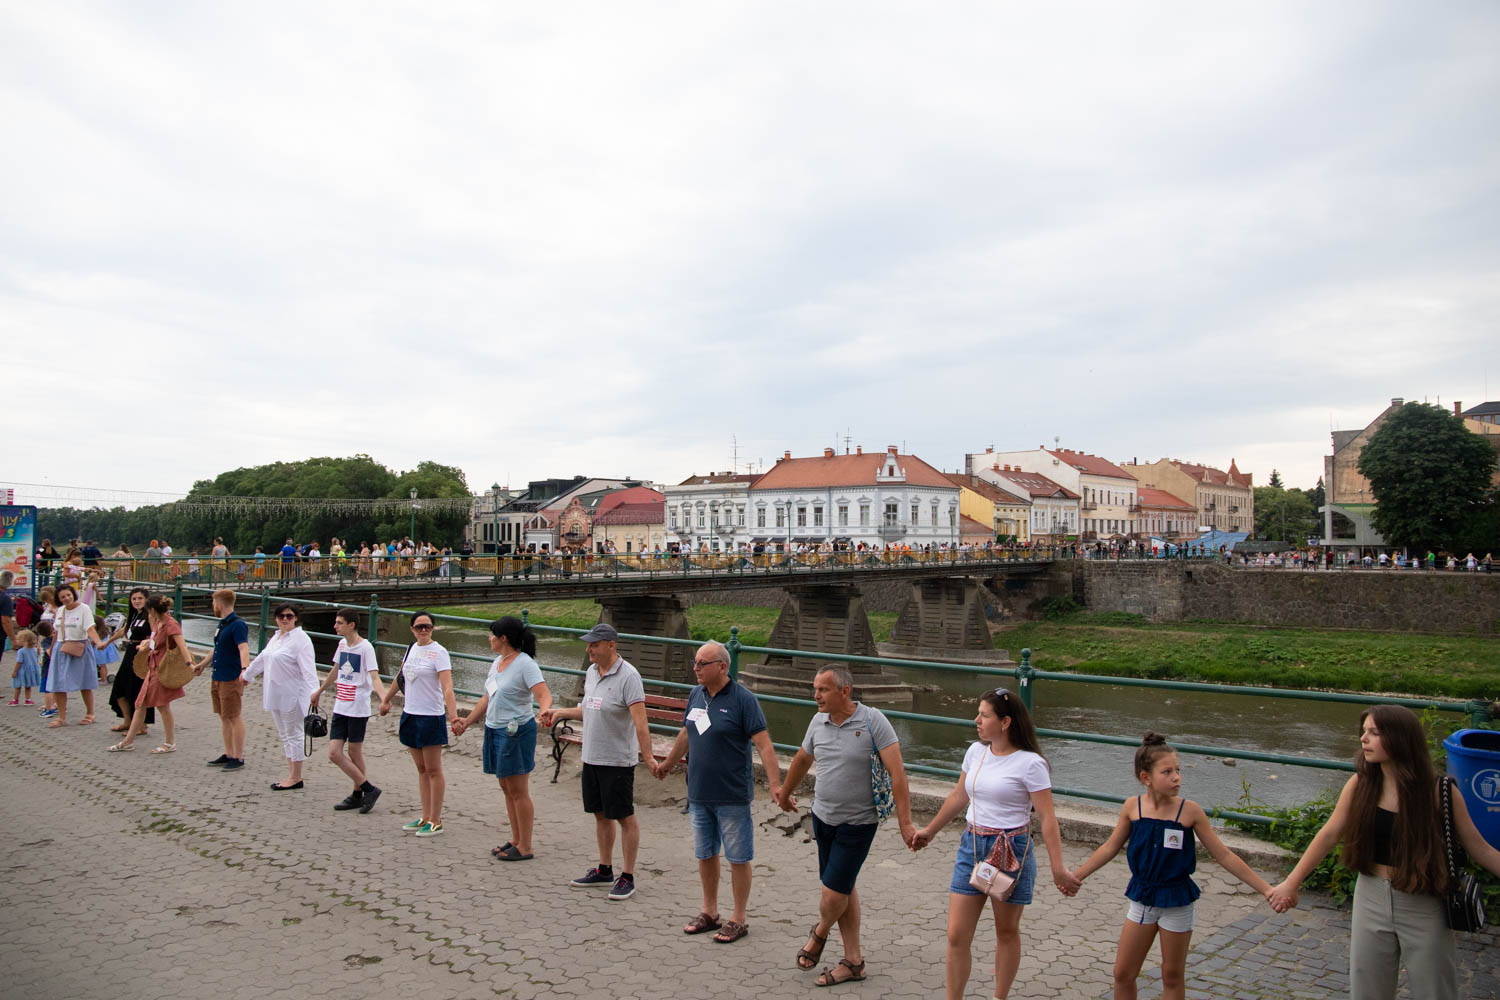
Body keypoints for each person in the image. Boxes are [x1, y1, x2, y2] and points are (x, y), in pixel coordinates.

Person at [1270, 705, 1500, 999]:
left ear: (1401, 738)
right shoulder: (1361, 783)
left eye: (1374, 733)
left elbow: (1479, 847)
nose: (1364, 739)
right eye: (1363, 732)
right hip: (1370, 896)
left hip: (1424, 900)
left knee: (1435, 989)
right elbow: (1328, 834)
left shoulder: (1439, 791)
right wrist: (1291, 882)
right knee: (1367, 990)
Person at [1070, 733, 1284, 999]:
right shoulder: (1132, 807)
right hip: (1142, 898)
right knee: (1122, 973)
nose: (1176, 778)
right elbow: (1109, 847)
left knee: (1172, 976)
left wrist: (1267, 889)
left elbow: (1224, 855)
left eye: (1178, 771)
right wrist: (1076, 876)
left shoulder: (1190, 811)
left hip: (1178, 902)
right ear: (1145, 777)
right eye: (1167, 771)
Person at [910, 688, 1081, 1000]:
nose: (977, 720)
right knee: (956, 935)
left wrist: (1059, 868)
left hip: (1011, 850)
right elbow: (959, 795)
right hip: (973, 846)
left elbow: (1047, 819)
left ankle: (999, 997)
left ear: (1005, 722)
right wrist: (930, 831)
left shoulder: (1031, 764)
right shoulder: (976, 752)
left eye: (984, 715)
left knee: (1006, 931)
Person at [772, 664, 916, 984]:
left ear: (844, 691)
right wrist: (785, 794)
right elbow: (802, 760)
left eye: (823, 689)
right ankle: (854, 962)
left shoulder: (872, 720)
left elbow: (898, 774)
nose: (816, 695)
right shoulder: (817, 721)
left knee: (833, 893)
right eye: (815, 688)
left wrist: (905, 824)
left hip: (859, 822)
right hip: (823, 817)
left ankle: (818, 935)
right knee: (844, 887)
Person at [653, 641, 782, 945]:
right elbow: (687, 731)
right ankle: (709, 912)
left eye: (702, 664)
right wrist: (668, 763)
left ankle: (738, 918)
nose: (695, 669)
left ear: (722, 667)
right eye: (694, 662)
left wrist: (777, 785)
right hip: (698, 792)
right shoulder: (696, 694)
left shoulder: (743, 700)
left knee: (738, 857)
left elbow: (763, 744)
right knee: (705, 853)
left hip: (732, 794)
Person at [538, 622, 655, 901]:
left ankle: (627, 876)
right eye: (588, 644)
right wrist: (558, 712)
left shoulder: (629, 676)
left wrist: (647, 756)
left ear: (611, 645)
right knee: (600, 814)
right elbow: (587, 710)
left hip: (617, 760)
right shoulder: (591, 671)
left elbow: (641, 723)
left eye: (594, 644)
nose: (589, 649)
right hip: (591, 756)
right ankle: (605, 869)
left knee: (624, 816)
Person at [454, 616, 552, 859]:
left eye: (492, 635)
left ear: (503, 638)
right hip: (494, 728)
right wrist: (467, 721)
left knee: (518, 789)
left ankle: (526, 846)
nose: (489, 639)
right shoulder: (498, 662)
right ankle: (516, 839)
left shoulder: (525, 664)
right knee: (506, 786)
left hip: (516, 731)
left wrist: (545, 711)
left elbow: (543, 694)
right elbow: (487, 698)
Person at [378, 611, 459, 837]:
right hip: (410, 714)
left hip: (430, 716)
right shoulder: (411, 649)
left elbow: (448, 687)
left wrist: (452, 717)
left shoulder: (439, 653)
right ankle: (425, 816)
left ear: (433, 628)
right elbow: (400, 677)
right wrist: (386, 699)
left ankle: (436, 820)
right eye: (419, 626)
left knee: (433, 769)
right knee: (421, 769)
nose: (423, 630)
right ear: (412, 629)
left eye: (428, 626)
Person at [310, 609, 386, 813]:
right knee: (334, 753)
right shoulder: (342, 644)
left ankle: (357, 794)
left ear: (351, 625)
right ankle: (369, 789)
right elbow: (336, 670)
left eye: (339, 623)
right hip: (341, 705)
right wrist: (319, 690)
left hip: (358, 707)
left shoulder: (365, 648)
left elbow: (374, 676)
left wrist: (383, 698)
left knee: (354, 751)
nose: (335, 626)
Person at [241, 603, 319, 789]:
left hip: (292, 693)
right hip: (274, 692)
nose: (285, 619)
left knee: (294, 734)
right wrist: (247, 675)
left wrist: (314, 692)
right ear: (276, 618)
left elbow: (309, 670)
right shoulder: (277, 637)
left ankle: (296, 776)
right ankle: (291, 773)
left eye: (289, 616)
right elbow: (263, 657)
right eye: (281, 616)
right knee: (285, 735)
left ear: (296, 618)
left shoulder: (301, 639)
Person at [109, 595, 188, 753]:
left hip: (161, 670)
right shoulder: (158, 622)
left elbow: (182, 645)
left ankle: (169, 742)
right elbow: (153, 641)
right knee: (141, 704)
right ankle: (128, 741)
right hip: (152, 668)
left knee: (162, 706)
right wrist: (145, 646)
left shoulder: (170, 624)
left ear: (152, 610)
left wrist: (190, 665)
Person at [192, 589, 249, 770]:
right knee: (224, 715)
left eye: (213, 602)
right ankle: (228, 752)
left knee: (233, 715)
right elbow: (216, 648)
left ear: (219, 604)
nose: (212, 606)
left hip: (230, 676)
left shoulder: (237, 624)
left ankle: (238, 757)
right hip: (218, 674)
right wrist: (203, 664)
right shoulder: (222, 624)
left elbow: (243, 648)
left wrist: (244, 669)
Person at [46, 583, 106, 727]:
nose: (67, 598)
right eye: (63, 597)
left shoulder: (83, 609)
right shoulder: (60, 610)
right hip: (62, 648)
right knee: (58, 684)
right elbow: (57, 632)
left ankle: (90, 713)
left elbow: (90, 628)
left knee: (84, 682)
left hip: (79, 647)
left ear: (73, 594)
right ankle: (61, 717)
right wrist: (51, 648)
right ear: (59, 599)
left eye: (68, 595)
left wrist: (98, 642)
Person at [101, 588, 154, 733]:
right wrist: (106, 643)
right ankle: (127, 721)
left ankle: (141, 725)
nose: (137, 601)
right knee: (120, 688)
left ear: (146, 600)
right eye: (134, 599)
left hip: (142, 654)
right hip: (130, 652)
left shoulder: (149, 615)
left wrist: (146, 646)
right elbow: (123, 631)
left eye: (140, 598)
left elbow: (154, 635)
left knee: (137, 690)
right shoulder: (134, 616)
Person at [10, 628, 41, 705]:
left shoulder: (21, 651)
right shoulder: (34, 650)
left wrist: (14, 671)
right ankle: (28, 699)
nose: (17, 640)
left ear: (24, 641)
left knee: (17, 686)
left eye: (18, 639)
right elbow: (37, 660)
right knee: (28, 686)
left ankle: (15, 700)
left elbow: (19, 662)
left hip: (21, 670)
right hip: (31, 670)